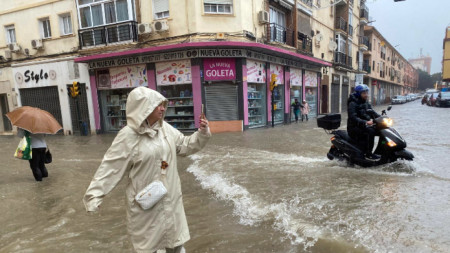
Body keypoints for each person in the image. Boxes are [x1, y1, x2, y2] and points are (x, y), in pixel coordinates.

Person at [83, 87, 211, 253]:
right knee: (152, 247)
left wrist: (202, 133)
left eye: (163, 105)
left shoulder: (165, 129)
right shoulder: (128, 136)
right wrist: (94, 196)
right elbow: (110, 168)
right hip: (147, 207)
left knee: (175, 243)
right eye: (158, 105)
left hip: (171, 200)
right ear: (144, 107)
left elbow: (185, 146)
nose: (163, 108)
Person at [347, 84, 381, 160]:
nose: (366, 95)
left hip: (363, 125)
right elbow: (353, 117)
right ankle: (368, 154)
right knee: (371, 131)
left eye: (367, 93)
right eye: (364, 93)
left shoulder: (366, 102)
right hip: (354, 127)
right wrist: (365, 122)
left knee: (379, 130)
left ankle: (381, 151)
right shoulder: (352, 103)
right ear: (359, 94)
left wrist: (381, 118)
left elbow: (372, 112)